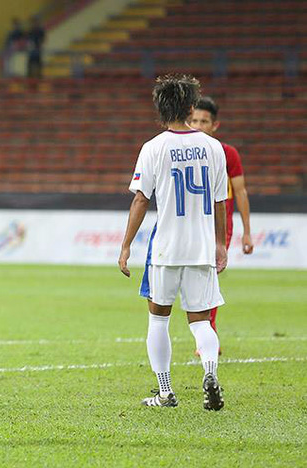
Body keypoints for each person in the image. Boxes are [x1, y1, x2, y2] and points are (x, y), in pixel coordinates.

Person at [118, 74, 227, 411]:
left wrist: (125, 247)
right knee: (200, 320)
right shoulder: (213, 147)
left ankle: (165, 392)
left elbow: (140, 200)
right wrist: (220, 243)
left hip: (165, 247)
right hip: (201, 247)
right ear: (191, 107)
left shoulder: (153, 147)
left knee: (158, 319)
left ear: (160, 109)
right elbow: (221, 200)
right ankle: (209, 371)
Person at [190, 96, 254, 344]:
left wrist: (247, 232)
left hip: (219, 227)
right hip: (190, 224)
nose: (198, 125)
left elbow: (240, 192)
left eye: (204, 121)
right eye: (194, 120)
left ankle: (209, 333)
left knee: (209, 277)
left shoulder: (227, 154)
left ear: (214, 125)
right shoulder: (182, 153)